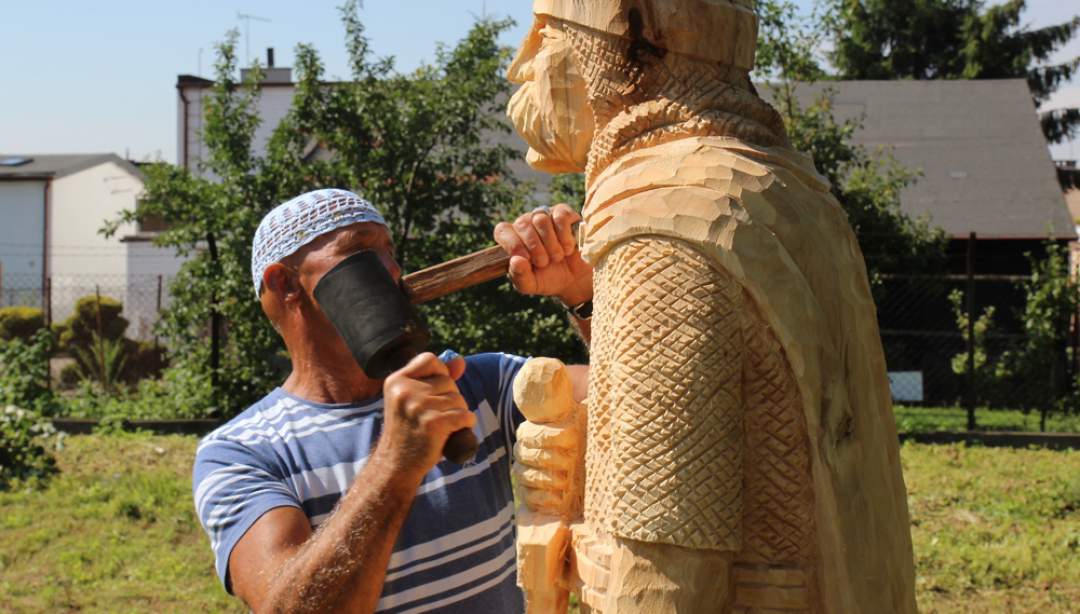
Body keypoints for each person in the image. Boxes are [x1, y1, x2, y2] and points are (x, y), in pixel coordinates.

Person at [192, 188, 593, 613]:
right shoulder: (238, 453)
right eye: (361, 251)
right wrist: (397, 461)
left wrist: (583, 294)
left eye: (390, 251)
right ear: (285, 283)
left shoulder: (477, 383)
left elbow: (634, 402)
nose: (393, 269)